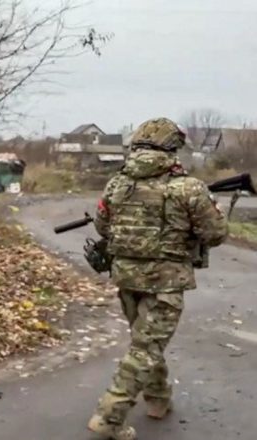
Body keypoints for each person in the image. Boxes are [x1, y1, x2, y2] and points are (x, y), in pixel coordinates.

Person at [87, 117, 228, 439]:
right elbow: (216, 234)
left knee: (146, 343)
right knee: (146, 347)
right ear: (172, 148)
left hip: (126, 277)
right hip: (165, 282)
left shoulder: (117, 183)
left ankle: (158, 398)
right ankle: (109, 417)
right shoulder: (188, 188)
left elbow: (102, 226)